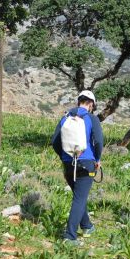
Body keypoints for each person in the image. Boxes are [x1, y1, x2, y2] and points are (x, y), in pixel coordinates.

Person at [51, 90, 104, 244]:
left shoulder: (65, 117)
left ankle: (87, 226)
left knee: (79, 197)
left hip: (68, 164)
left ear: (78, 101)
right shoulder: (92, 118)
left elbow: (55, 141)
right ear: (91, 104)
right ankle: (70, 236)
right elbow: (99, 141)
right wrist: (97, 158)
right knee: (79, 199)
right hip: (86, 163)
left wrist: (64, 157)